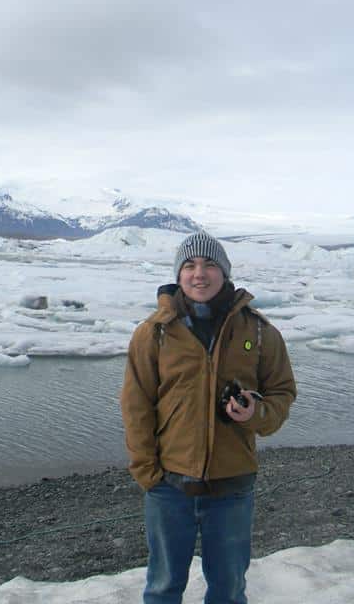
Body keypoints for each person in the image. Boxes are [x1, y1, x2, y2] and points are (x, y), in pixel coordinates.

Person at [120, 231, 297, 604]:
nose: (199, 274)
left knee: (229, 590)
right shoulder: (154, 334)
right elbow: (136, 406)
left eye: (209, 265)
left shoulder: (260, 332)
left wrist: (255, 412)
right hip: (169, 485)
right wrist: (147, 473)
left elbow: (282, 393)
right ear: (179, 274)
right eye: (190, 265)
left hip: (232, 486)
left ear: (224, 272)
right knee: (163, 587)